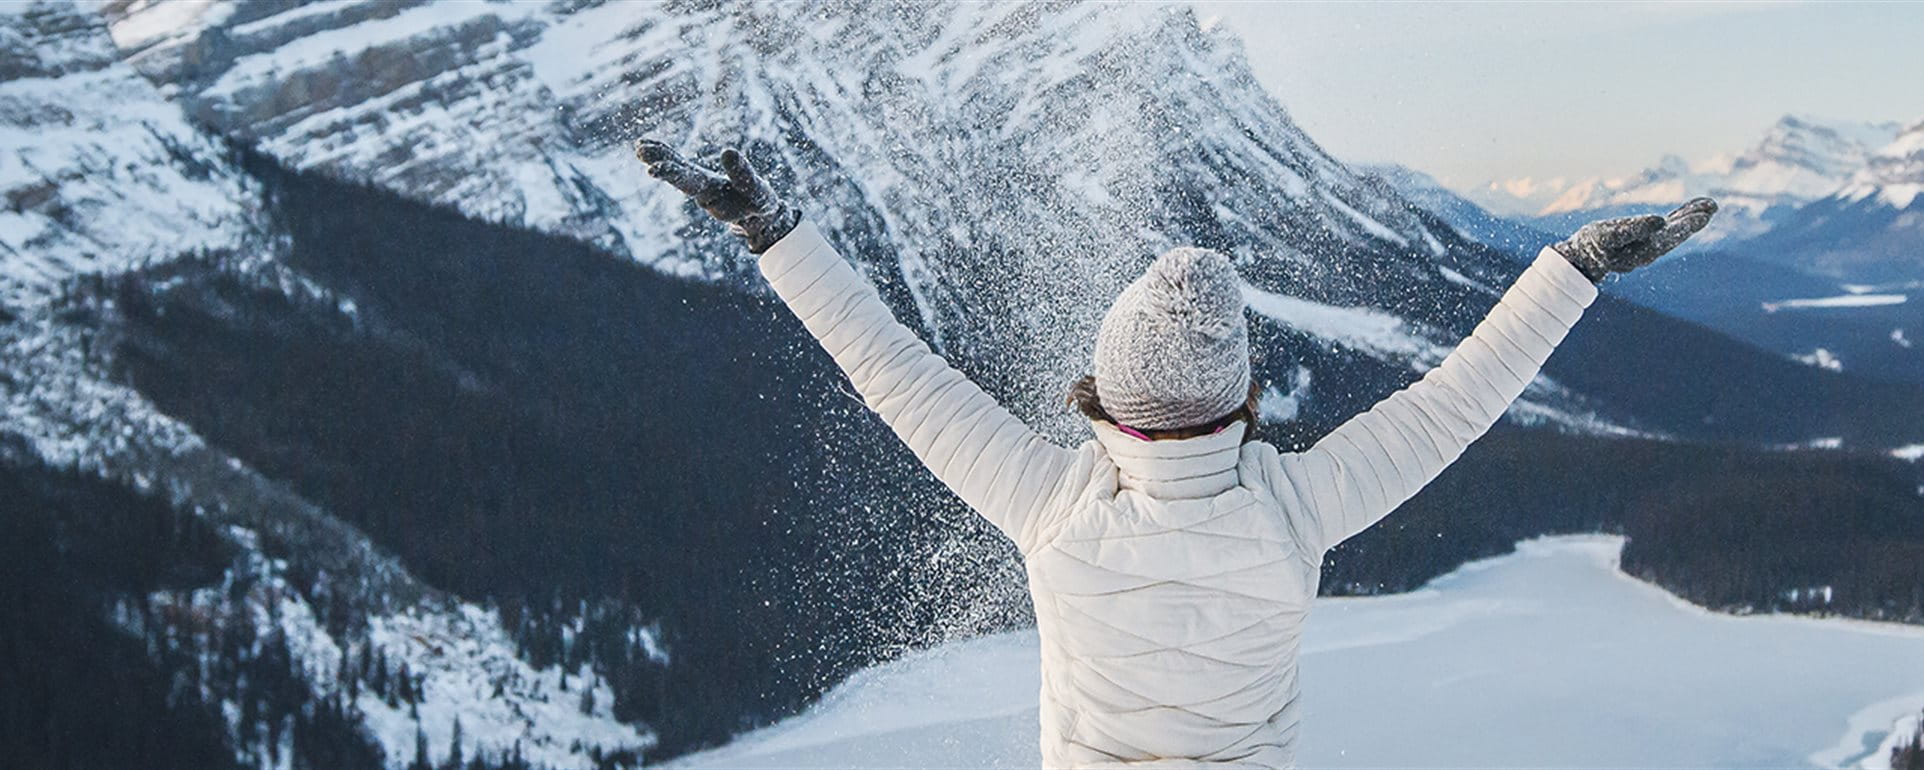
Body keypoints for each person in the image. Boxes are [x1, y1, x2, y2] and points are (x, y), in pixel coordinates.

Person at [636, 139, 1715, 769]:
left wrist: (772, 229)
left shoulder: (1052, 505)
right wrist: (1576, 264)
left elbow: (892, 369)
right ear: (1242, 394)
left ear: (1104, 391)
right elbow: (1454, 403)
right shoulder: (1296, 506)